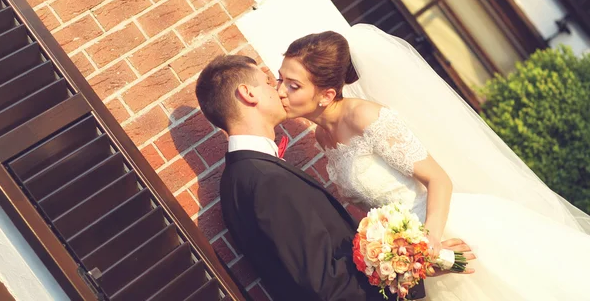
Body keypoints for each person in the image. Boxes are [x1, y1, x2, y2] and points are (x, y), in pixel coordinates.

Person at [276, 26, 590, 301]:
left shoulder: (364, 116)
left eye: (293, 85)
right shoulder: (322, 136)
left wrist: (428, 246)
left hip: (444, 228)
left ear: (326, 94)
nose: (281, 92)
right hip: (410, 254)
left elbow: (439, 179)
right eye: (280, 80)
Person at [196, 55, 463, 300]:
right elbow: (328, 286)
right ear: (248, 93)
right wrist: (410, 271)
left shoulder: (238, 179)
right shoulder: (265, 180)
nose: (278, 90)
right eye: (269, 81)